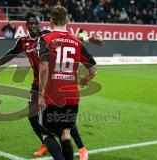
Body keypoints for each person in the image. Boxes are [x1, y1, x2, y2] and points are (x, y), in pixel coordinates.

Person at [0, 10, 102, 159]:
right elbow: (8, 56)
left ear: (42, 23)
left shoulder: (47, 36)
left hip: (52, 85)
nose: (34, 26)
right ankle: (47, 143)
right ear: (26, 25)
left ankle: (81, 147)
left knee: (61, 122)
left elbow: (71, 37)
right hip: (38, 84)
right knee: (33, 117)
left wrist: (90, 39)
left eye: (37, 23)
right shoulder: (23, 41)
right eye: (31, 24)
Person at [38, 6, 97, 160]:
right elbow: (93, 70)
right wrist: (87, 78)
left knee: (45, 133)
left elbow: (43, 68)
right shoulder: (77, 42)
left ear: (51, 21)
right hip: (72, 95)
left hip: (53, 94)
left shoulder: (45, 40)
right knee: (65, 134)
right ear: (68, 20)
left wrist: (41, 94)